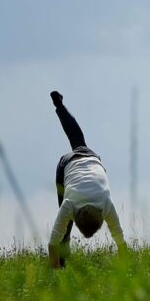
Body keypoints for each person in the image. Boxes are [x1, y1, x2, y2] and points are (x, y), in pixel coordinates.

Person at [49, 91, 127, 268]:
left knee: (77, 139)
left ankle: (60, 106)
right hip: (73, 164)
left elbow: (121, 243)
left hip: (92, 160)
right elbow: (121, 244)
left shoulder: (105, 204)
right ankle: (62, 263)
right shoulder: (71, 205)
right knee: (65, 230)